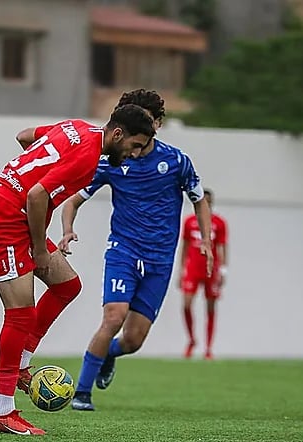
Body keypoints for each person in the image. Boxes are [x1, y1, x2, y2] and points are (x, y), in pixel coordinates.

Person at [0, 104, 155, 435]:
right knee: (20, 314)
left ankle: (22, 367)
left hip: (20, 218)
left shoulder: (76, 127)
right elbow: (37, 194)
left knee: (67, 285)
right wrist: (40, 249)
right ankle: (2, 411)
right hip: (3, 220)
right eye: (134, 146)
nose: (133, 154)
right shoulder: (88, 158)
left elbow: (24, 136)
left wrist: (29, 169)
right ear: (118, 134)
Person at [61, 89, 214, 412]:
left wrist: (206, 240)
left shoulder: (175, 161)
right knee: (113, 317)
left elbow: (198, 198)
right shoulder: (112, 161)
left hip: (160, 259)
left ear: (156, 124)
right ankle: (81, 394)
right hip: (123, 251)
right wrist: (67, 229)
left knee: (132, 341)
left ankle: (109, 356)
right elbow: (74, 199)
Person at [179, 188, 228, 360]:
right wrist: (181, 269)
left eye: (208, 202)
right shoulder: (189, 222)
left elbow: (222, 247)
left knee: (210, 306)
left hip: (211, 269)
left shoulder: (219, 223)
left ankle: (208, 347)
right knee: (186, 304)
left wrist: (223, 270)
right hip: (193, 268)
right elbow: (184, 246)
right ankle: (191, 339)